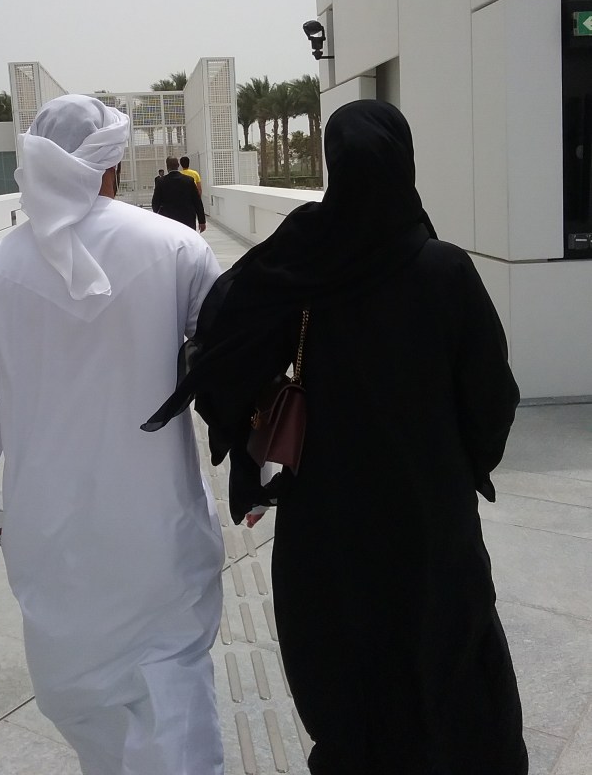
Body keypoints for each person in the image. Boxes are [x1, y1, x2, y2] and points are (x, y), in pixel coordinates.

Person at [144, 100, 528, 775]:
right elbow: (492, 397)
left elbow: (225, 337)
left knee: (343, 652)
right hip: (427, 509)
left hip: (327, 508)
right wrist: (461, 464)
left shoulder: (306, 260)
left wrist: (245, 447)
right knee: (445, 650)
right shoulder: (443, 270)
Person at [0, 96, 225, 775]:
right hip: (157, 529)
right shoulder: (179, 248)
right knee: (172, 695)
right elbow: (230, 368)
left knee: (84, 704)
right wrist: (259, 471)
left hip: (54, 541)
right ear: (111, 165)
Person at [152, 156, 206, 231]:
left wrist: (158, 216)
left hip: (168, 220)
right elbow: (197, 201)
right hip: (187, 219)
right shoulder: (189, 180)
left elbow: (155, 203)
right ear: (178, 165)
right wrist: (202, 220)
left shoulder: (161, 182)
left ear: (167, 166)